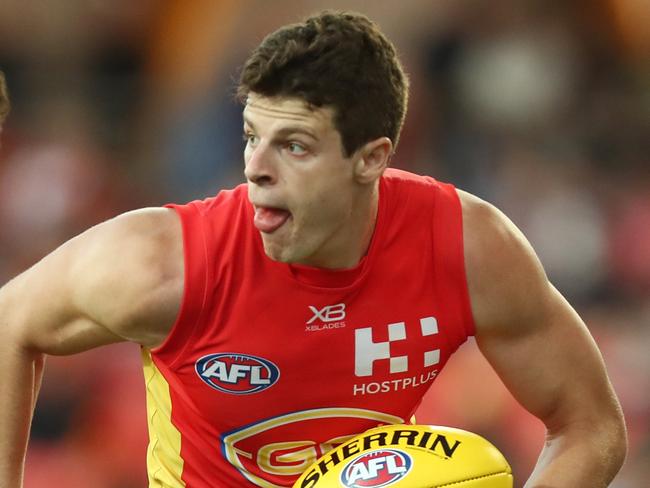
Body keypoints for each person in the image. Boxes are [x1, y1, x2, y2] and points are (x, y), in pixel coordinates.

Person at [0, 11, 626, 488]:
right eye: (251, 136)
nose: (256, 169)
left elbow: (591, 427)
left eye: (294, 146)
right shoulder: (163, 263)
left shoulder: (466, 247)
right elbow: (10, 322)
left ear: (372, 159)